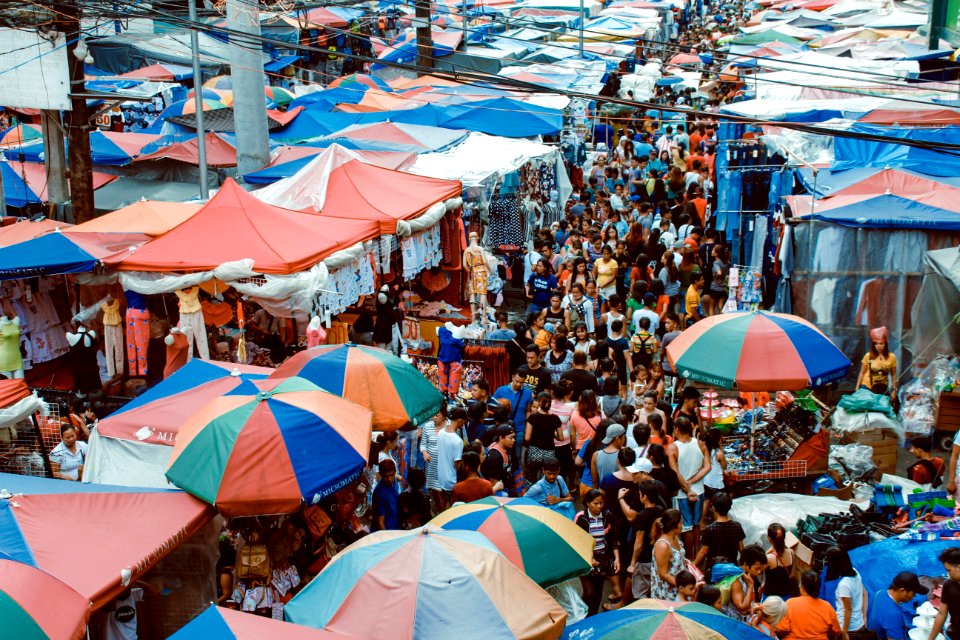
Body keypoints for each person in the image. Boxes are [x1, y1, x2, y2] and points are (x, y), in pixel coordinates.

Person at [667, 416, 711, 555]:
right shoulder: (700, 444)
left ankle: (690, 557)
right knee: (697, 524)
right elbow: (707, 467)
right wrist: (692, 483)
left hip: (682, 494)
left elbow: (674, 472)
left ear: (677, 429)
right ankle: (698, 553)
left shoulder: (673, 448)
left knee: (686, 526)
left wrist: (686, 487)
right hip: (698, 491)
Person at [575, 489, 620, 616]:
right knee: (589, 593)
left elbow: (613, 539)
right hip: (585, 559)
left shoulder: (607, 516)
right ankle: (582, 614)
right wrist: (590, 558)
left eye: (601, 503)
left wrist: (616, 558)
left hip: (603, 559)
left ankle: (592, 617)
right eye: (595, 503)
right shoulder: (581, 518)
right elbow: (577, 541)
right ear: (587, 503)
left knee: (598, 592)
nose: (599, 506)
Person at [777, 570, 841, 640]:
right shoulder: (827, 607)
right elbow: (836, 631)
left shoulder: (790, 603)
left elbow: (781, 629)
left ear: (802, 587)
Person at [628, 478, 665, 599]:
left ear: (644, 497)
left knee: (640, 593)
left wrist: (633, 563)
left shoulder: (641, 516)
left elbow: (638, 543)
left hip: (644, 559)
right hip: (658, 557)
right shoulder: (661, 510)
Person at [693, 491, 745, 573]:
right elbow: (741, 549)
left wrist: (693, 565)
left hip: (714, 570)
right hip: (732, 568)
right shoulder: (737, 526)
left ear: (713, 508)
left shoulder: (710, 529)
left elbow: (703, 551)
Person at [824, 546, 868, 640]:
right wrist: (864, 617)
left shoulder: (843, 585)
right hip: (859, 624)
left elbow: (848, 610)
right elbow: (865, 593)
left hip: (849, 628)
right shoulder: (855, 572)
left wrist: (844, 632)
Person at [869, 572, 927, 640]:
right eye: (913, 594)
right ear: (902, 591)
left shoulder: (880, 593)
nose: (913, 597)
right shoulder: (893, 615)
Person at [724, 545, 767, 622]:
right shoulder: (736, 580)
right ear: (746, 564)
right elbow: (742, 608)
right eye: (757, 568)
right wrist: (750, 586)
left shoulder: (748, 577)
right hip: (736, 623)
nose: (759, 572)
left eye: (761, 569)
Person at [525, 391, 562, 481]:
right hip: (549, 453)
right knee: (545, 479)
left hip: (534, 452)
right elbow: (561, 438)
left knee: (531, 477)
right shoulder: (555, 418)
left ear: (538, 402)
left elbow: (527, 438)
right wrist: (551, 433)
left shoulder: (532, 417)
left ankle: (532, 493)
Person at [650, 509, 686, 601]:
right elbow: (663, 574)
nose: (682, 526)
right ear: (674, 526)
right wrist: (683, 586)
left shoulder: (675, 537)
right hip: (667, 592)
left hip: (679, 587)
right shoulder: (663, 545)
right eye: (681, 523)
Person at [493, 372, 535, 447]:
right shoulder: (500, 390)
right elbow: (493, 406)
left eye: (521, 382)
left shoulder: (528, 393)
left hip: (519, 429)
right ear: (512, 377)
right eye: (517, 381)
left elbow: (528, 411)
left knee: (517, 454)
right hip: (503, 429)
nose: (518, 384)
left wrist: (527, 428)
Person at [436, 407, 466, 511]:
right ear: (460, 420)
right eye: (464, 421)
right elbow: (457, 464)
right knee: (453, 510)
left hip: (441, 477)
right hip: (452, 480)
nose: (464, 424)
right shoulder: (457, 441)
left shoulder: (440, 433)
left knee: (443, 507)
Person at [855, 326, 897, 399]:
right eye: (876, 344)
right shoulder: (868, 356)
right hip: (867, 387)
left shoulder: (892, 357)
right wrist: (857, 388)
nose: (878, 346)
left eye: (881, 343)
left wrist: (894, 390)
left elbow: (893, 375)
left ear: (885, 344)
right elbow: (862, 372)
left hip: (882, 388)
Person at [929, 547, 960, 640]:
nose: (948, 574)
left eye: (949, 570)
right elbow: (942, 614)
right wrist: (931, 638)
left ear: (959, 567)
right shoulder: (948, 585)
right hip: (954, 634)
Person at [419, 406, 446, 512]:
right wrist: (425, 453)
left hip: (444, 464)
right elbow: (423, 444)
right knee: (434, 489)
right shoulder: (427, 426)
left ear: (444, 416)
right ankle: (438, 510)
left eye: (437, 415)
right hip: (431, 464)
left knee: (442, 490)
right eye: (433, 416)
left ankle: (443, 511)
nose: (434, 418)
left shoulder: (449, 426)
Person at [482, 424, 517, 497]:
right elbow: (493, 480)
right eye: (511, 438)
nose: (514, 440)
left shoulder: (506, 448)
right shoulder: (495, 456)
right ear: (501, 438)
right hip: (501, 493)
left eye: (514, 437)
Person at [765, 522, 796, 599]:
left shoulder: (769, 557)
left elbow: (757, 571)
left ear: (769, 539)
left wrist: (766, 553)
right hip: (786, 596)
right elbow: (792, 575)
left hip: (770, 598)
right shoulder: (791, 553)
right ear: (784, 537)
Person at [372, 459, 401, 530]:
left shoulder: (395, 483)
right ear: (381, 475)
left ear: (395, 472)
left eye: (391, 475)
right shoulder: (379, 493)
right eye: (386, 476)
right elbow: (380, 521)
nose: (389, 479)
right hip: (387, 532)